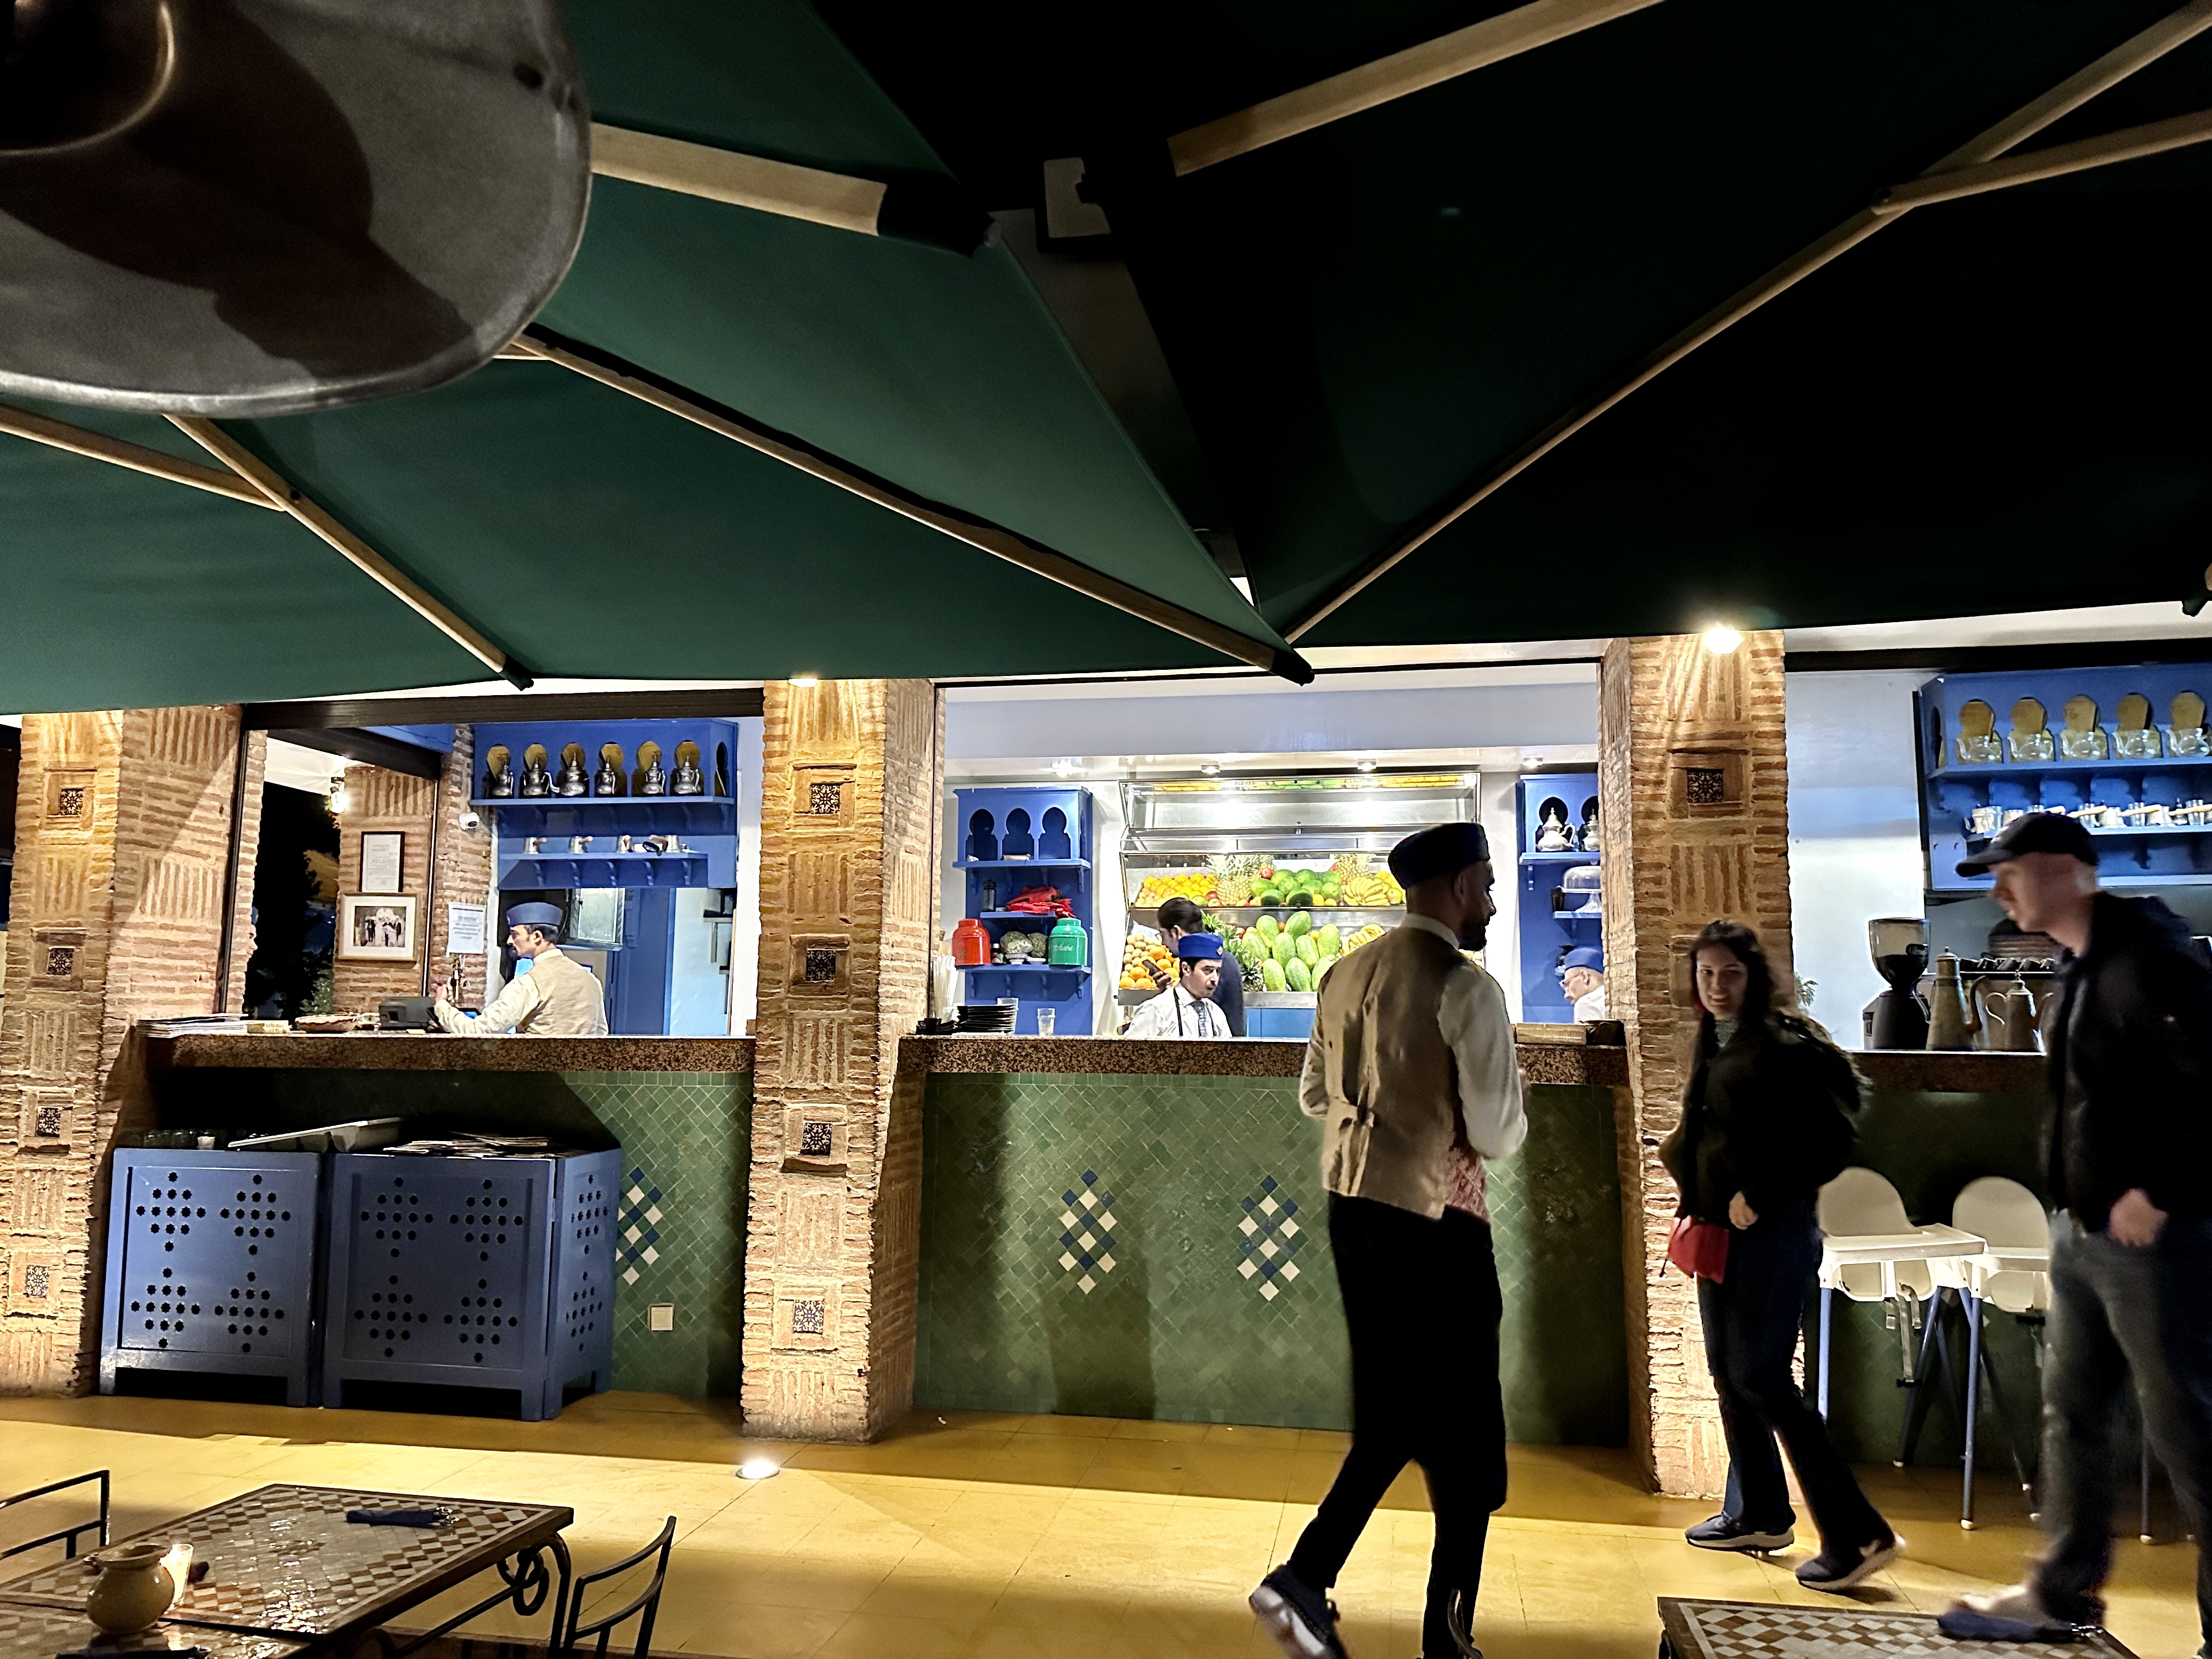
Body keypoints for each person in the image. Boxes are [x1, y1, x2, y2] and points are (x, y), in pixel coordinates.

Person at [1251, 822, 1525, 1659]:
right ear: (1456, 886)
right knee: (1462, 1426)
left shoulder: (1342, 974)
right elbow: (1498, 1132)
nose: (1489, 902)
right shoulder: (1467, 988)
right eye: (1484, 886)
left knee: (1397, 1411)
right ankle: (1422, 1623)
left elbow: (1313, 1095)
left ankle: (1319, 1583)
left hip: (1352, 1210)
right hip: (1439, 1222)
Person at [1942, 814, 2212, 1647]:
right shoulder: (2082, 962)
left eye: (2010, 871)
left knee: (2189, 1432)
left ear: (2063, 869)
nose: (1998, 889)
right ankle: (2061, 1595)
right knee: (2073, 1416)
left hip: (2153, 1242)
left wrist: (2159, 1191)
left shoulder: (2149, 962)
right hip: (2083, 1232)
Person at [1660, 919, 1898, 1589]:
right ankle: (1760, 1513)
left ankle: (1858, 1534)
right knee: (1729, 1373)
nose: (1717, 986)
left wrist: (1759, 1194)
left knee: (1763, 1378)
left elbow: (1828, 1143)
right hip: (1717, 1231)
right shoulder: (1716, 1038)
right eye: (1706, 974)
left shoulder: (1781, 1046)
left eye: (1731, 974)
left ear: (1755, 978)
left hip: (1771, 1234)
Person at [432, 902, 608, 1036]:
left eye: (515, 934)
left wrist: (442, 1006)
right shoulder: (591, 981)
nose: (510, 941)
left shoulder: (529, 984)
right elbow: (600, 1033)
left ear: (537, 937)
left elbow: (479, 1031)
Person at [1155, 895, 1246, 1036]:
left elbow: (1196, 1017)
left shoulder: (1208, 961)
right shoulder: (1215, 957)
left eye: (1162, 934)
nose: (1163, 943)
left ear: (1176, 932)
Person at [1121, 932, 1232, 1038]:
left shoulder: (1215, 1013)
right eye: (1208, 970)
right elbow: (1130, 1050)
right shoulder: (1156, 1010)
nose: (1215, 979)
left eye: (1217, 971)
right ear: (1186, 969)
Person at [1559, 945, 1606, 1023]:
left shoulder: (1586, 1004)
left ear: (1585, 977)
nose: (1566, 996)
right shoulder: (1613, 998)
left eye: (1567, 984)